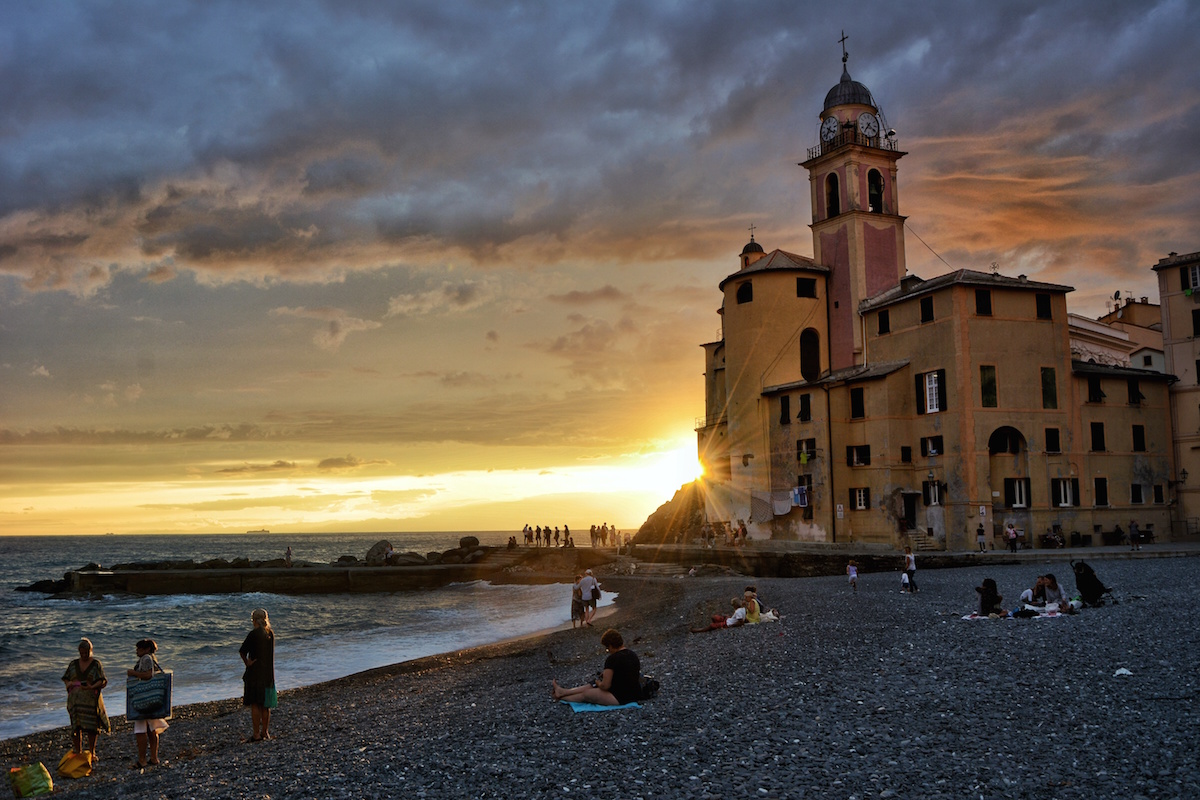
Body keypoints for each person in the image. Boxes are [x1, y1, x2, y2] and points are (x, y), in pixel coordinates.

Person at [551, 629, 641, 706]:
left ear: (610, 645)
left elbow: (605, 686)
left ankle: (563, 697)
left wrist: (598, 683)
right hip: (635, 693)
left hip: (620, 697)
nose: (608, 651)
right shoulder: (632, 654)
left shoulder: (612, 659)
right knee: (592, 684)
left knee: (587, 694)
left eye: (607, 648)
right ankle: (564, 692)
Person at [62, 638, 110, 760]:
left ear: (90, 651)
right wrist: (69, 684)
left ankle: (92, 752)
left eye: (86, 653)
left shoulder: (96, 664)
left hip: (90, 701)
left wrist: (91, 687)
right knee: (76, 727)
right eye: (81, 653)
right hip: (75, 701)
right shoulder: (73, 664)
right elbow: (66, 678)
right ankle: (78, 751)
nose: (83, 655)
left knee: (91, 727)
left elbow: (102, 680)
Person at [126, 639, 168, 768]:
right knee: (151, 729)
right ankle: (154, 758)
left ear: (146, 649)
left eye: (139, 648)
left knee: (140, 730)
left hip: (143, 697)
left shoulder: (146, 658)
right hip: (151, 698)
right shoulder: (151, 658)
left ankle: (142, 760)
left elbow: (148, 675)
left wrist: (133, 673)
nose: (136, 651)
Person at [239, 608, 276, 742]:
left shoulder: (253, 634)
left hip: (255, 673)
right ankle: (265, 732)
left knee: (255, 704)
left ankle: (256, 734)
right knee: (265, 705)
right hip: (267, 673)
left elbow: (242, 651)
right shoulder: (270, 634)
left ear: (254, 620)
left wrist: (247, 663)